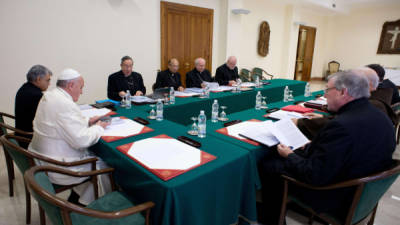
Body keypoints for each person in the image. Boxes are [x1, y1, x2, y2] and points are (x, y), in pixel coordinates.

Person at [258, 71, 395, 224]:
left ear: (343, 92)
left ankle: (271, 218)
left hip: (337, 194)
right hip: (363, 188)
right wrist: (312, 146)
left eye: (327, 90)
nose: (325, 95)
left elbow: (313, 175)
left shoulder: (341, 125)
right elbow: (347, 148)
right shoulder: (381, 115)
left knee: (270, 164)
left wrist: (289, 155)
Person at [29, 68, 111, 205]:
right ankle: (97, 206)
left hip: (41, 158)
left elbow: (64, 124)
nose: (82, 91)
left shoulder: (51, 96)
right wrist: (98, 127)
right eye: (81, 87)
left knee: (93, 157)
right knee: (103, 163)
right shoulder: (64, 104)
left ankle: (79, 198)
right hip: (57, 166)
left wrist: (87, 121)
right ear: (71, 86)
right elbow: (82, 140)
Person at [296, 67, 397, 139]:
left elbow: (341, 124)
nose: (325, 95)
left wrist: (300, 124)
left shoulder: (372, 105)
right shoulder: (368, 105)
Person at [15, 65, 52, 148]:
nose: (49, 84)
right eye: (48, 80)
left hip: (20, 135)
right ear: (39, 79)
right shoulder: (36, 95)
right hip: (30, 140)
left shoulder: (24, 88)